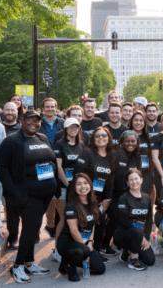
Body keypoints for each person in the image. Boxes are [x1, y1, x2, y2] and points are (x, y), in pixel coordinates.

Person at [0, 109, 57, 283]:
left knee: (33, 228)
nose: (34, 123)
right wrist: (12, 190)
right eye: (30, 120)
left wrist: (55, 183)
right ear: (22, 120)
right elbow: (1, 167)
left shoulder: (43, 138)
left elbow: (51, 160)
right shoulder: (12, 141)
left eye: (37, 120)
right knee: (32, 227)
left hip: (46, 193)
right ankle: (17, 266)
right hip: (26, 195)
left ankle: (29, 263)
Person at [76, 126, 118, 257]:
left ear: (109, 138)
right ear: (93, 139)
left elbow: (110, 179)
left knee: (109, 219)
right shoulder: (87, 153)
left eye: (104, 135)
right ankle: (87, 251)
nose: (101, 138)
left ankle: (99, 249)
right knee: (93, 222)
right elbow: (77, 174)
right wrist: (84, 197)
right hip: (85, 195)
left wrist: (107, 199)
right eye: (98, 135)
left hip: (101, 197)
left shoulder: (112, 155)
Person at [56, 173, 106, 281]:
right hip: (66, 243)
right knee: (80, 251)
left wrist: (90, 242)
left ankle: (64, 263)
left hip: (84, 243)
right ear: (74, 187)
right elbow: (74, 232)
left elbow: (92, 225)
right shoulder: (71, 205)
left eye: (85, 183)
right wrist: (86, 249)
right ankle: (70, 266)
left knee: (100, 269)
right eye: (79, 184)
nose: (83, 187)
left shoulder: (93, 202)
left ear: (90, 185)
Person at [50, 117, 86, 261]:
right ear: (65, 129)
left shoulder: (81, 145)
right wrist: (69, 186)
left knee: (74, 219)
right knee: (64, 219)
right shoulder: (59, 144)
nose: (73, 129)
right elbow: (58, 168)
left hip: (78, 188)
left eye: (76, 127)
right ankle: (57, 250)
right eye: (70, 127)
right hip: (63, 188)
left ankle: (70, 246)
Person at [115, 169, 155, 270]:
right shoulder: (123, 198)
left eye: (136, 179)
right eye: (131, 180)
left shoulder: (146, 198)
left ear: (141, 180)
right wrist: (141, 237)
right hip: (123, 235)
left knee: (150, 260)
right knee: (137, 231)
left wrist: (146, 238)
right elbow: (124, 221)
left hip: (140, 236)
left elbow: (149, 220)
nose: (134, 182)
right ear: (127, 183)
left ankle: (128, 250)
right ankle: (133, 260)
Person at [127, 112, 154, 194]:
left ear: (144, 122)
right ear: (131, 122)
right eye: (136, 120)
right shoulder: (126, 136)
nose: (138, 123)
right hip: (131, 174)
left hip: (146, 174)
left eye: (141, 120)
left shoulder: (148, 137)